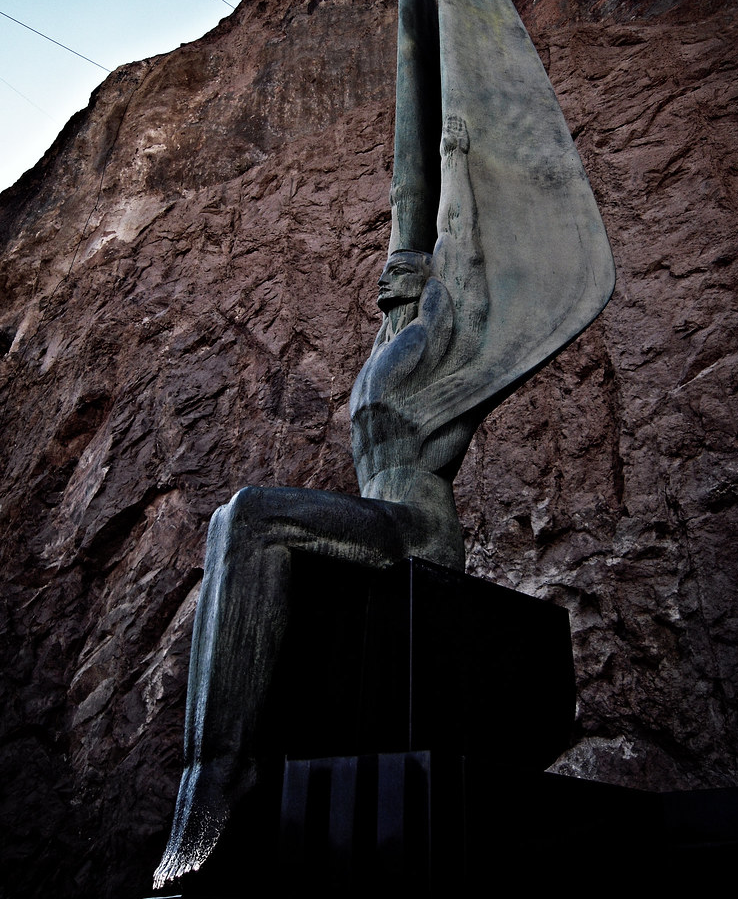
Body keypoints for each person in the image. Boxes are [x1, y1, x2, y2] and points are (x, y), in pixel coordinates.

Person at [153, 115, 488, 888]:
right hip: (384, 517)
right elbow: (405, 209)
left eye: (401, 267)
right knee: (228, 519)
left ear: (429, 280)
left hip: (419, 528)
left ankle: (221, 772)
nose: (384, 276)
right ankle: (208, 767)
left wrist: (457, 148)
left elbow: (458, 242)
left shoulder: (445, 352)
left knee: (253, 515)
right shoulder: (387, 357)